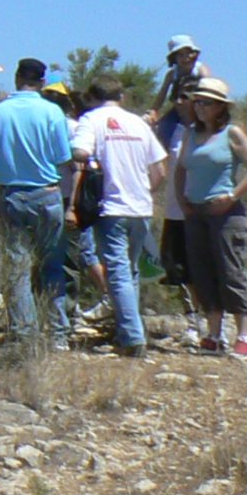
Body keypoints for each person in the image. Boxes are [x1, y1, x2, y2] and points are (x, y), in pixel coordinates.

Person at [0, 58, 75, 349]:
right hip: (47, 193)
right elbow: (63, 158)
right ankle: (58, 334)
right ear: (42, 82)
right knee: (52, 265)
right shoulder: (52, 112)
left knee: (17, 266)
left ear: (17, 78)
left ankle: (24, 332)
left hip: (13, 195)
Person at [71, 76, 167, 357]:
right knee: (131, 270)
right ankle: (128, 331)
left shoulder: (91, 120)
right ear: (121, 97)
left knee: (118, 273)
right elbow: (160, 170)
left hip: (110, 207)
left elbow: (80, 151)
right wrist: (142, 192)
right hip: (140, 207)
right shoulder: (138, 123)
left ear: (91, 97)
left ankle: (133, 339)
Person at [178, 77, 247, 357]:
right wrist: (182, 201)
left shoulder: (232, 134)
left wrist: (231, 196)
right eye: (198, 102)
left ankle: (244, 335)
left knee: (230, 270)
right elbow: (181, 168)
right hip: (196, 210)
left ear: (220, 107)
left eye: (206, 102)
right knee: (202, 272)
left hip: (225, 214)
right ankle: (214, 334)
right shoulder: (189, 134)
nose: (200, 107)